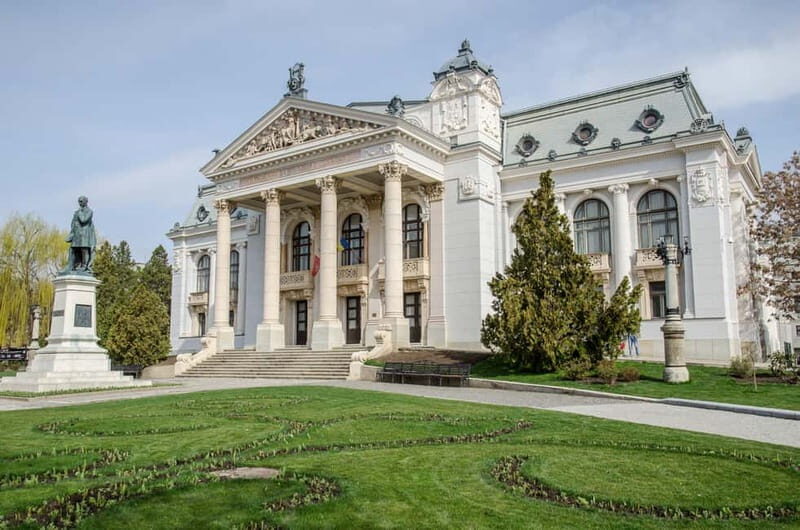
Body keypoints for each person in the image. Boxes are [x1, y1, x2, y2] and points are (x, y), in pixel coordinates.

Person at [63, 196, 97, 273]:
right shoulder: (77, 212)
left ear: (86, 202)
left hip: (85, 234)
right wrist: (71, 234)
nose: (79, 203)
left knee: (84, 249)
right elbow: (73, 223)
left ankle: (84, 266)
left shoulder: (89, 211)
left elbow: (83, 220)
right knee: (72, 249)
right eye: (79, 201)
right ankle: (70, 266)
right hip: (77, 234)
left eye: (81, 201)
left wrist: (79, 213)